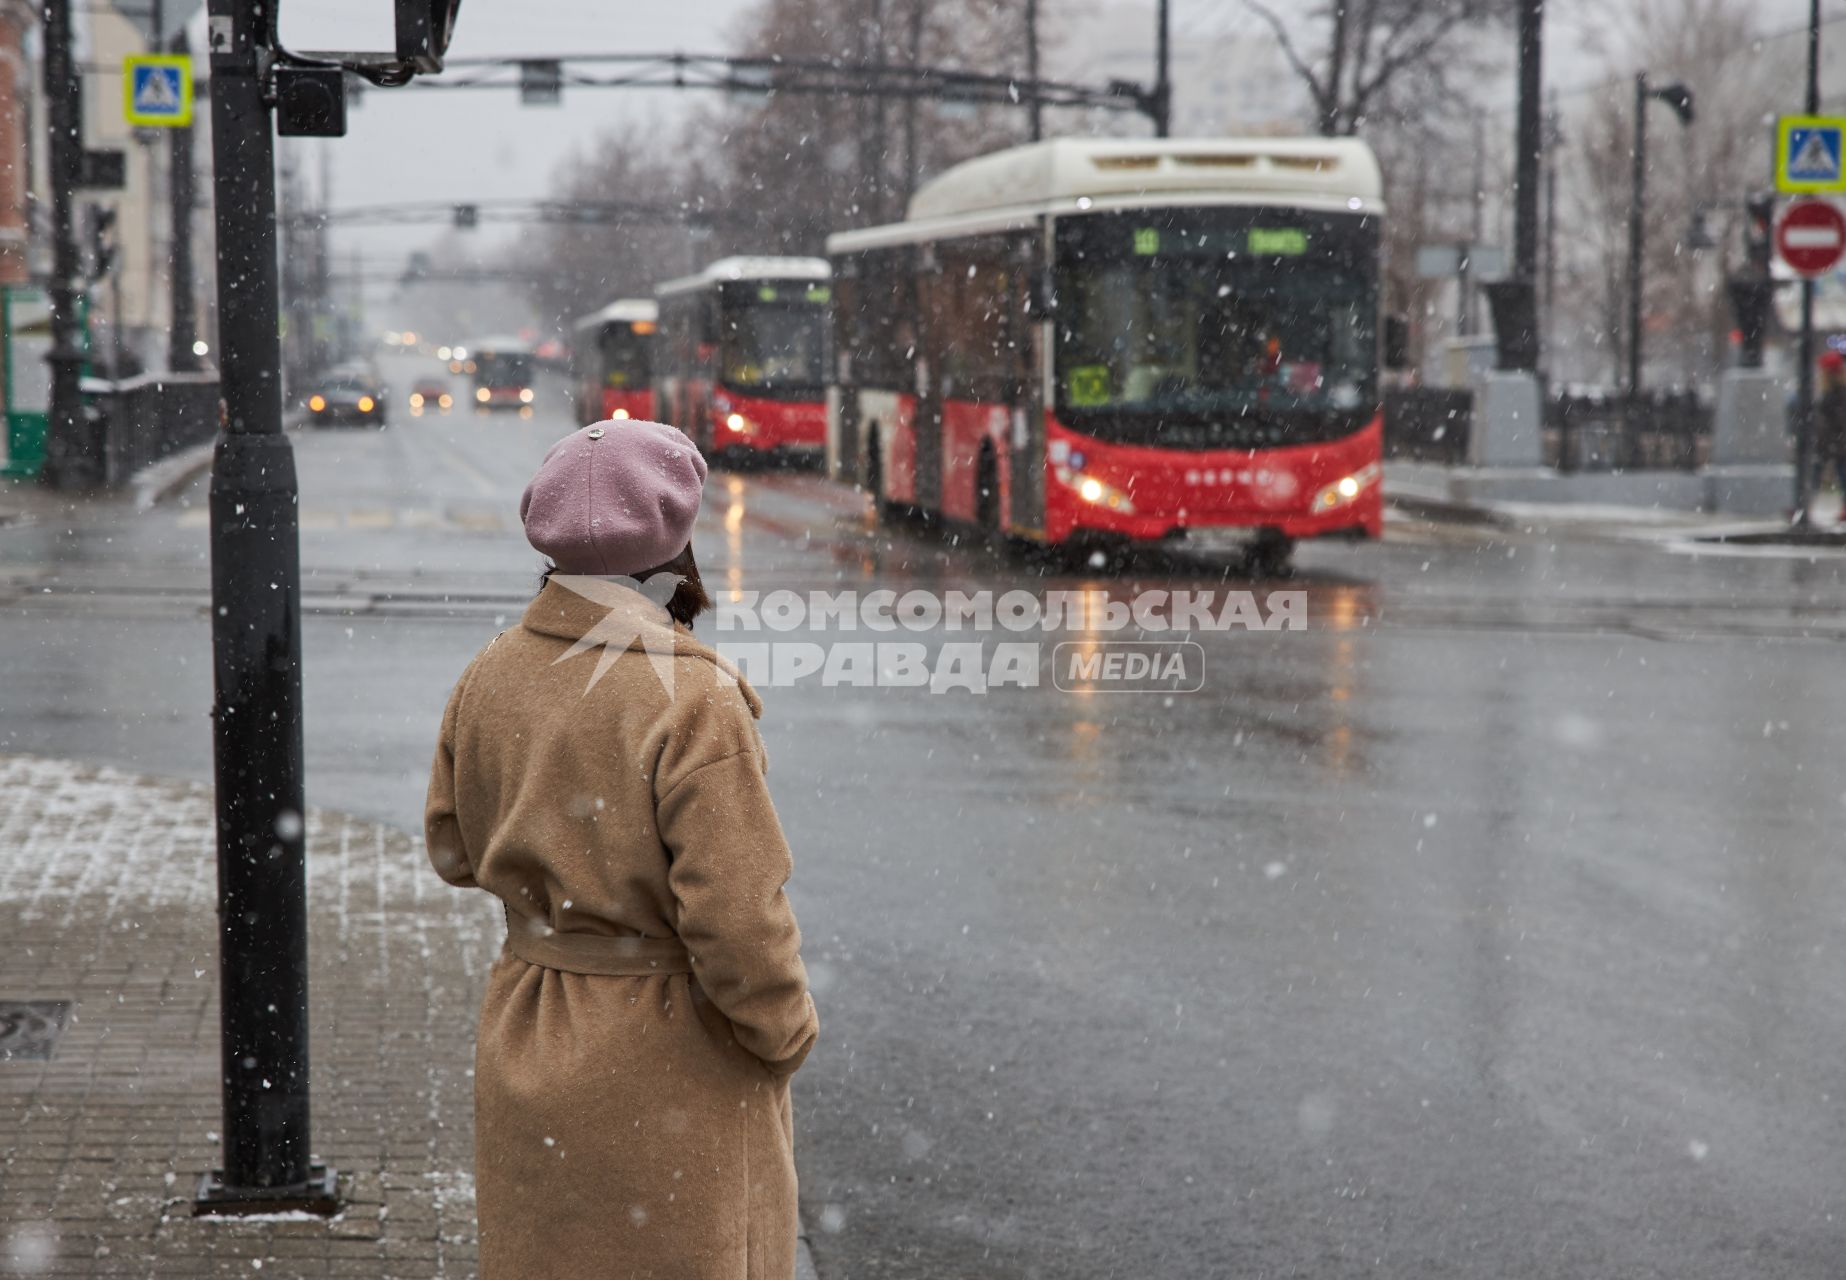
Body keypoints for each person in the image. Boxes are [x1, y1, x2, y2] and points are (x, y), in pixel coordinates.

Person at [425, 419, 819, 1280]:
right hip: (672, 1060)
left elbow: (452, 847)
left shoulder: (490, 672)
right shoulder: (693, 698)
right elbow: (738, 918)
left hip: (529, 1031)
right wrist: (782, 1032)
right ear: (673, 544)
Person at [1817, 350, 1846, 503]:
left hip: (1834, 442)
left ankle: (1802, 504)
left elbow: (1838, 420)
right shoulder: (1835, 392)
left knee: (1840, 472)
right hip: (1833, 441)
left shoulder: (1835, 393)